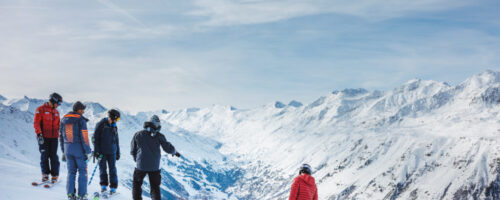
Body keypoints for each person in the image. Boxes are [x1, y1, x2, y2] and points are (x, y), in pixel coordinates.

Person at [131, 115, 181, 200]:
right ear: (153, 124)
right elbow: (167, 147)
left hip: (140, 165)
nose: (158, 126)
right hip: (154, 166)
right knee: (155, 187)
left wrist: (137, 159)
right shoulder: (159, 136)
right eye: (157, 125)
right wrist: (174, 152)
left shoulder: (138, 134)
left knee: (137, 185)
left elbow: (133, 149)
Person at [60, 101, 92, 200]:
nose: (83, 112)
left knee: (71, 172)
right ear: (78, 110)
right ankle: (82, 195)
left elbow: (61, 137)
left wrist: (63, 151)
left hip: (68, 149)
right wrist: (88, 151)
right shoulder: (80, 120)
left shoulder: (64, 120)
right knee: (83, 171)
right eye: (82, 110)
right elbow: (84, 137)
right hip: (79, 150)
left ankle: (70, 195)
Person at [34, 92, 63, 183]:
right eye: (58, 103)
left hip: (54, 138)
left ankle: (55, 175)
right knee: (44, 156)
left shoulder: (56, 112)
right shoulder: (40, 109)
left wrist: (61, 133)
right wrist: (39, 134)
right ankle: (45, 174)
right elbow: (36, 123)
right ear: (53, 101)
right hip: (43, 137)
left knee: (54, 156)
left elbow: (58, 125)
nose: (59, 105)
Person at [93, 109, 121, 194]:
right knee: (103, 169)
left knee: (112, 169)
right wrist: (97, 151)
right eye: (117, 119)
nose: (117, 121)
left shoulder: (114, 125)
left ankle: (113, 187)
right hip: (102, 152)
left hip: (112, 151)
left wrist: (118, 152)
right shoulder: (101, 125)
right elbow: (95, 139)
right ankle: (103, 186)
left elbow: (116, 140)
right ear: (112, 117)